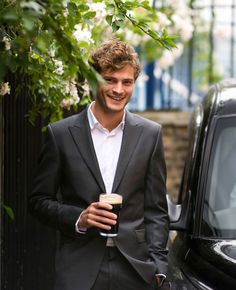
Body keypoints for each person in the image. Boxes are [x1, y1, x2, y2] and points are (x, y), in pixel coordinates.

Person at [28, 39, 170, 290]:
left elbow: (156, 210)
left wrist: (159, 268)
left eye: (127, 82)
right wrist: (79, 218)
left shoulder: (150, 134)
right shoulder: (60, 134)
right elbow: (38, 201)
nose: (119, 89)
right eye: (110, 79)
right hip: (79, 270)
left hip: (136, 270)